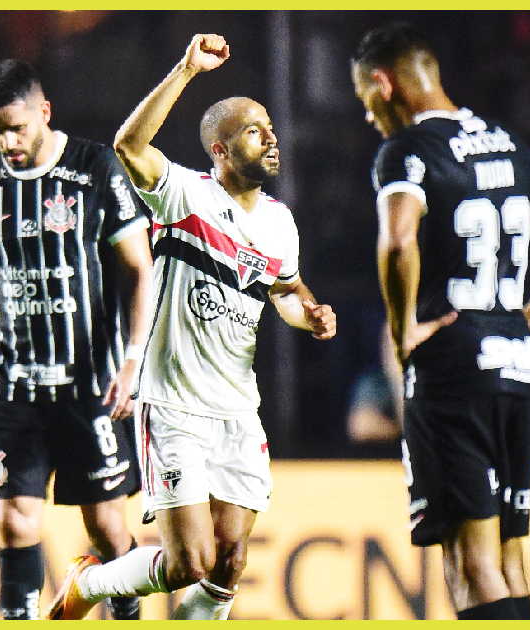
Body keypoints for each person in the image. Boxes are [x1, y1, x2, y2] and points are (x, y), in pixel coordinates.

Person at [48, 34, 336, 621]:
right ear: (220, 149)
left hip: (237, 409)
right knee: (189, 564)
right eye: (255, 129)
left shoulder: (281, 224)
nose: (272, 136)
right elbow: (128, 145)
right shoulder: (183, 193)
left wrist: (308, 310)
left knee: (230, 565)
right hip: (176, 406)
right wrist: (185, 69)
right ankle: (93, 584)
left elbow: (283, 289)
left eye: (270, 126)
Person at [350, 24, 530, 619]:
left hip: (453, 369)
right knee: (511, 560)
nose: (368, 118)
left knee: (470, 565)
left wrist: (402, 330)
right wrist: (524, 324)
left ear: (384, 84)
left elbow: (398, 241)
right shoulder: (511, 144)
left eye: (366, 101)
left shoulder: (405, 151)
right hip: (518, 365)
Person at [0, 59, 153, 620]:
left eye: (16, 127)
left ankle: (125, 616)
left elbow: (139, 269)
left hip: (90, 384)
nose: (6, 141)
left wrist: (132, 358)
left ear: (44, 112)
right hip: (14, 383)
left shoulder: (95, 168)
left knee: (106, 527)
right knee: (14, 520)